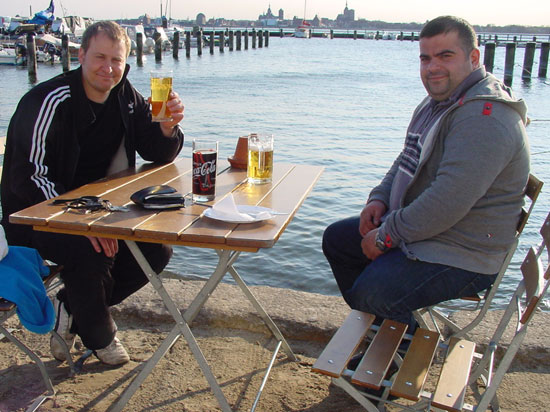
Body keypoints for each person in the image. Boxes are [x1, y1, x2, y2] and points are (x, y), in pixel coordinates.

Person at [322, 16, 530, 335]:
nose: (432, 67)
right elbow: (408, 158)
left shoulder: (484, 118)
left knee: (373, 292)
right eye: (425, 58)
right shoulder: (441, 102)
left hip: (465, 253)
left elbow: (447, 201)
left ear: (474, 58)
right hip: (434, 232)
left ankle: (397, 350)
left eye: (445, 56)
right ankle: (388, 334)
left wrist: (385, 236)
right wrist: (379, 198)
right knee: (338, 240)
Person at [1, 21, 185, 365]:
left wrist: (167, 127)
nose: (108, 68)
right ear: (81, 54)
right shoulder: (49, 100)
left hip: (98, 211)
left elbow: (157, 152)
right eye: (100, 57)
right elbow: (26, 178)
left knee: (157, 250)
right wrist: (80, 222)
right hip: (33, 217)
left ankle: (70, 306)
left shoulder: (125, 95)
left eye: (116, 60)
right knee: (92, 250)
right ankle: (101, 337)